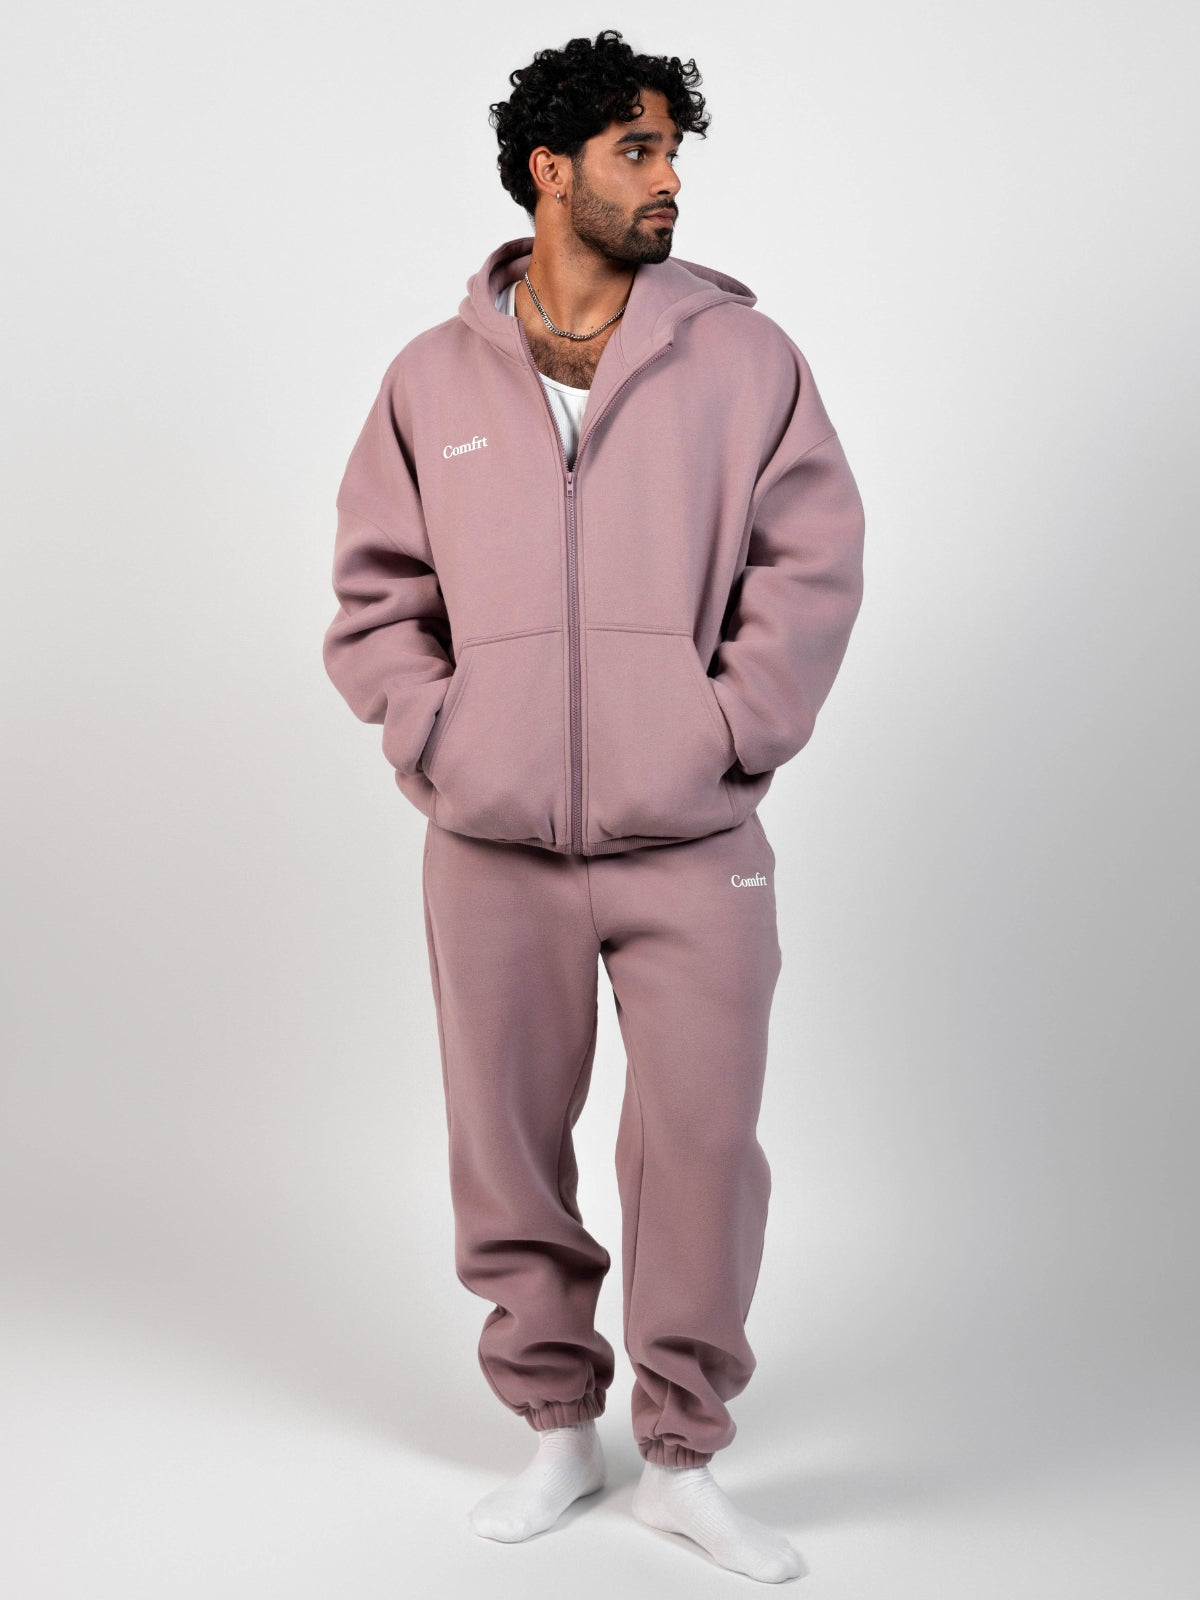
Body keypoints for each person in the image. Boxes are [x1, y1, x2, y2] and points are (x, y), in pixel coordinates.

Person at [322, 28, 865, 1585]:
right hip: (489, 845)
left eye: (672, 148)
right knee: (504, 1149)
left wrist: (726, 732)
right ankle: (558, 1427)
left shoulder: (744, 360)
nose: (668, 176)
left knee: (701, 1144)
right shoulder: (432, 379)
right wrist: (442, 737)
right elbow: (376, 593)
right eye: (638, 149)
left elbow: (811, 565)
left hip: (695, 840)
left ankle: (684, 1455)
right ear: (550, 170)